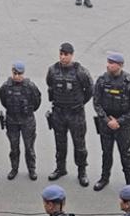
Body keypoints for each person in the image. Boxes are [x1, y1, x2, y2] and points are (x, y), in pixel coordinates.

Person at [45, 43, 93, 187]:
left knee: (79, 145)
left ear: (72, 55)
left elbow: (89, 91)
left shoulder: (81, 72)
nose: (63, 57)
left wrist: (78, 103)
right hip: (59, 112)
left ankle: (82, 171)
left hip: (75, 113)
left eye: (66, 54)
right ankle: (60, 168)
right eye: (61, 53)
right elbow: (50, 86)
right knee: (60, 143)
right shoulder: (53, 70)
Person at [91, 53, 130, 192]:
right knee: (106, 152)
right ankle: (104, 178)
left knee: (125, 153)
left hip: (122, 125)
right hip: (106, 124)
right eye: (108, 62)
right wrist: (107, 120)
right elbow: (97, 103)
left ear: (120, 65)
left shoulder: (129, 82)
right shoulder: (102, 80)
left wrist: (119, 121)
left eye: (112, 63)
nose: (108, 65)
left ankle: (129, 181)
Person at [0, 61, 41, 181]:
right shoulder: (6, 87)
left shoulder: (31, 87)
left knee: (29, 148)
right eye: (15, 73)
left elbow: (37, 102)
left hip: (27, 121)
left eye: (20, 73)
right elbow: (3, 101)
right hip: (12, 121)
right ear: (12, 72)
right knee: (14, 148)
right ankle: (14, 169)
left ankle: (31, 169)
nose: (17, 76)